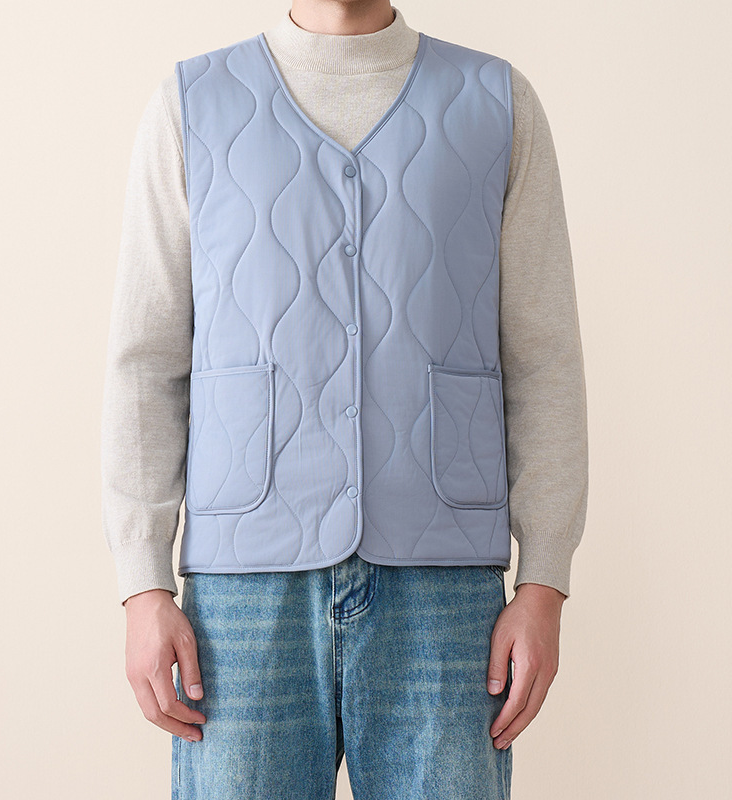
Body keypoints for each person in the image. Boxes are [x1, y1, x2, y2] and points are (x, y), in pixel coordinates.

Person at [100, 2, 589, 798]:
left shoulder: (498, 104)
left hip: (444, 590)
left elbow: (544, 359)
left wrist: (544, 582)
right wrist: (142, 583)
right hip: (241, 599)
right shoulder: (191, 105)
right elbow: (145, 360)